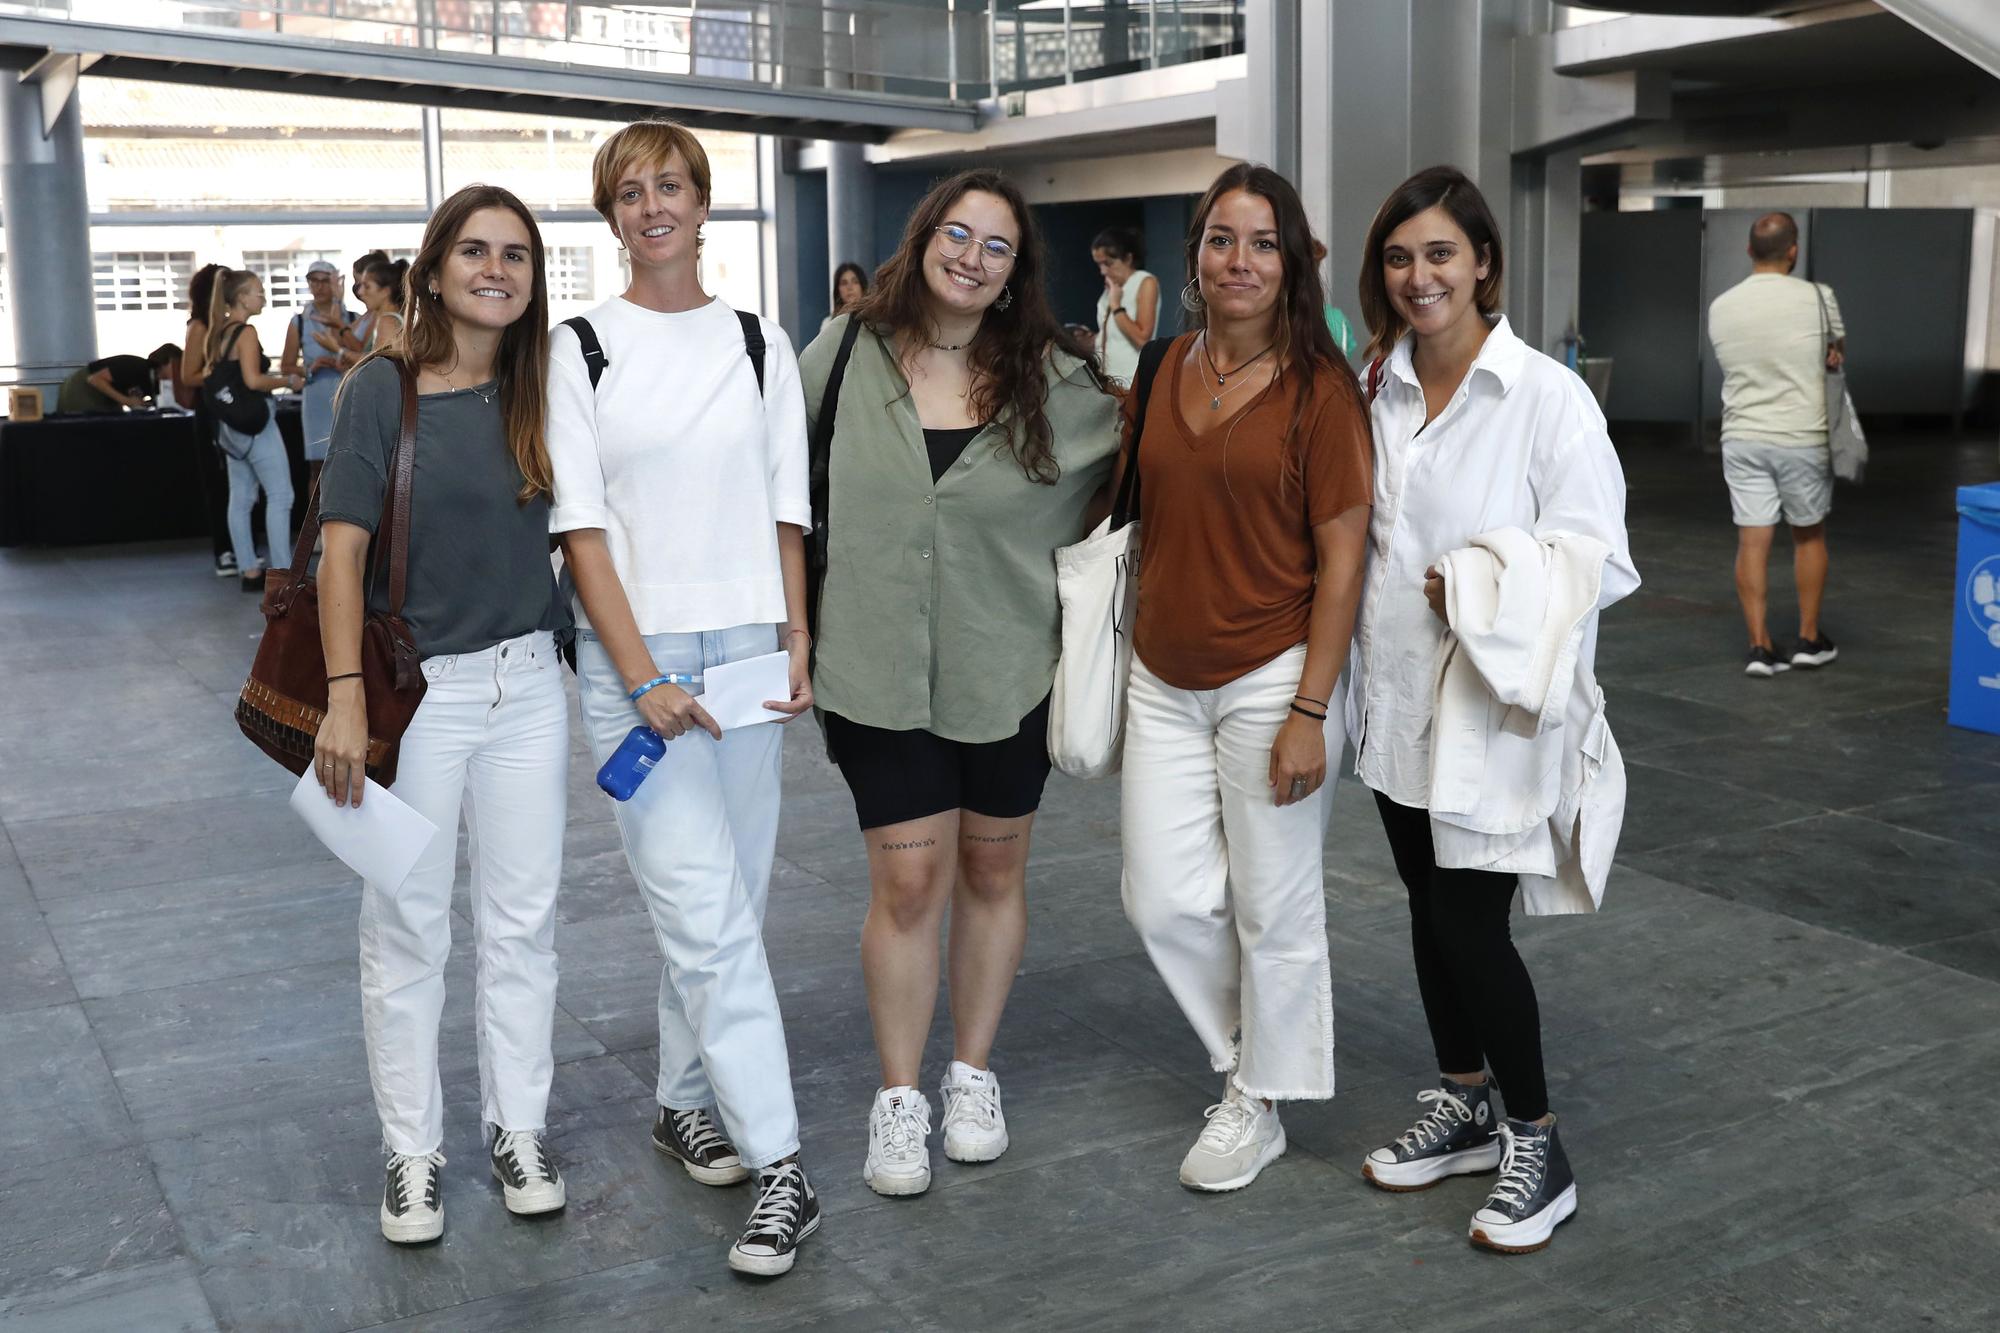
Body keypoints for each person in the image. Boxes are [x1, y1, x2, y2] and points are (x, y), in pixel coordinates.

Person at [798, 169, 1119, 1200]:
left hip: (1005, 668)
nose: (970, 256)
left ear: (1016, 271)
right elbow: (767, 481)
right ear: (922, 237)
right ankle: (899, 1096)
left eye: (996, 246)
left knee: (989, 876)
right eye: (956, 233)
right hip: (873, 667)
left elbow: (1156, 464)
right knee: (905, 884)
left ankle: (970, 1072)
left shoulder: (1062, 382)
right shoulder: (842, 353)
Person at [546, 118, 820, 1279]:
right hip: (637, 664)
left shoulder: (760, 340)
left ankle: (679, 1097)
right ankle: (785, 1164)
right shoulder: (577, 348)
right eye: (628, 191)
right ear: (610, 216)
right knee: (704, 914)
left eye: (669, 186)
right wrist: (641, 674)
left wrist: (797, 636)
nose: (651, 205)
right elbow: (579, 527)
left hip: (750, 652)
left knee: (726, 909)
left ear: (704, 204)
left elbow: (784, 507)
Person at [1348, 165, 1637, 1255]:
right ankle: (1460, 1098)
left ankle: (1536, 1138)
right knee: (1425, 906)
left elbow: (1597, 556)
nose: (1419, 275)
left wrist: (1484, 581)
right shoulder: (1376, 384)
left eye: (1438, 254)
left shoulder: (1544, 398)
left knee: (1468, 922)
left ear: (1482, 265)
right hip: (1392, 700)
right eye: (1398, 257)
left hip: (1489, 704)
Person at [313, 184, 571, 1248]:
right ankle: (412, 1152)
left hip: (529, 688)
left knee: (522, 927)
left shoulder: (541, 388)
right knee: (408, 926)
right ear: (433, 268)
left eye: (515, 254)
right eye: (475, 250)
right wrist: (340, 696)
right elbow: (342, 551)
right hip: (418, 696)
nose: (496, 269)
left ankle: (520, 1129)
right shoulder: (384, 387)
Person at [1117, 163, 1371, 1194]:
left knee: (1273, 900)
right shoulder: (1163, 361)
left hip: (1273, 670)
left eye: (1262, 243)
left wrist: (1311, 707)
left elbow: (1344, 554)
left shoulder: (1321, 389)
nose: (1239, 260)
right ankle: (1244, 1058)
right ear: (1195, 256)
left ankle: (1257, 1101)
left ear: (1292, 260)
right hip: (1159, 672)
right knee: (1161, 898)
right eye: (1221, 239)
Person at [1707, 211, 1845, 676]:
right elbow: (1834, 353)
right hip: (1801, 435)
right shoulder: (1818, 297)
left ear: (1749, 251)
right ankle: (1808, 640)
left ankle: (1760, 647)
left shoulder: (1722, 306)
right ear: (1793, 251)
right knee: (1808, 534)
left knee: (1752, 540)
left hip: (1742, 435)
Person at [203, 269, 303, 593]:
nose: (263, 296)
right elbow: (253, 381)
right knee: (280, 495)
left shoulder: (216, 333)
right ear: (242, 297)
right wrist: (289, 381)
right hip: (256, 424)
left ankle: (248, 569)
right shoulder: (246, 332)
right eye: (258, 291)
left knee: (242, 497)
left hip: (231, 429)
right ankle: (283, 574)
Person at [179, 263, 237, 578]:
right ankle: (223, 550)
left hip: (230, 410)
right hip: (211, 413)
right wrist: (221, 374)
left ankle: (238, 546)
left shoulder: (227, 325)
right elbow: (188, 375)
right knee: (218, 483)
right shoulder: (200, 326)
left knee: (239, 484)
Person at [280, 259, 356, 491]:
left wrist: (341, 360)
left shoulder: (352, 319)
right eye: (315, 281)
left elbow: (363, 355)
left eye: (326, 281)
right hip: (316, 397)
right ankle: (315, 524)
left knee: (351, 463)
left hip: (347, 393)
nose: (320, 287)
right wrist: (311, 368)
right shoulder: (300, 322)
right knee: (317, 465)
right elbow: (286, 366)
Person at [1091, 225, 1159, 386]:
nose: (1103, 271)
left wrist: (1116, 306)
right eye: (1099, 265)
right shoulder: (1110, 289)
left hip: (1130, 381)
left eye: (1108, 263)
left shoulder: (1144, 281)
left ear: (1128, 258)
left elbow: (1142, 338)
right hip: (1106, 380)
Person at [54, 344, 178, 414]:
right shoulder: (135, 366)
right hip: (82, 389)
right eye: (176, 365)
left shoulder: (155, 383)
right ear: (165, 362)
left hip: (103, 397)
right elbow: (95, 379)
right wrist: (127, 401)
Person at [824, 261, 868, 331]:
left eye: (855, 282)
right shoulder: (828, 323)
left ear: (862, 287)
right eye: (844, 283)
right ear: (838, 290)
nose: (849, 287)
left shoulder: (873, 320)